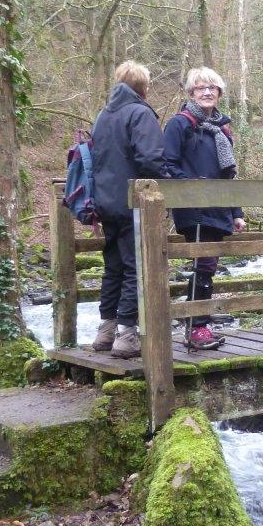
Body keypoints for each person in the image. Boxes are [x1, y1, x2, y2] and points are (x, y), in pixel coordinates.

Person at [90, 61, 179, 359]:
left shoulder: (103, 115)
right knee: (136, 266)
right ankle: (126, 334)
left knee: (113, 266)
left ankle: (105, 330)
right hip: (132, 201)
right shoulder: (140, 113)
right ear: (144, 87)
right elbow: (150, 159)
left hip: (105, 201)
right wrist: (168, 184)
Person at [163, 67, 246, 350]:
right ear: (191, 93)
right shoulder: (180, 124)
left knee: (208, 268)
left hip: (218, 208)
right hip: (194, 207)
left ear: (219, 93)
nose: (207, 92)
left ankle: (199, 325)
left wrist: (236, 212)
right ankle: (196, 327)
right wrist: (191, 186)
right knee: (203, 266)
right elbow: (167, 164)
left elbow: (228, 176)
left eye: (212, 88)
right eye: (201, 88)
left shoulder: (222, 129)